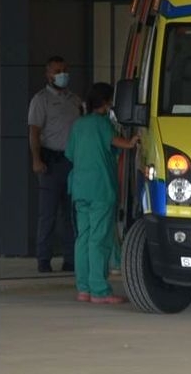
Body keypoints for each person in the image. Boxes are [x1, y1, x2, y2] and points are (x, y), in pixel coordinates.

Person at [65, 82, 138, 304]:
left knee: (83, 238)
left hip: (80, 188)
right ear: (106, 103)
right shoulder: (103, 124)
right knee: (99, 239)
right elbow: (120, 143)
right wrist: (132, 141)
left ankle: (83, 288)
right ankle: (99, 290)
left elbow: (70, 154)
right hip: (101, 189)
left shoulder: (79, 125)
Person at [27, 56, 82, 273]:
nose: (62, 74)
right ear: (48, 74)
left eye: (65, 70)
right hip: (50, 162)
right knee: (47, 214)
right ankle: (43, 260)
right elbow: (34, 132)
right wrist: (36, 159)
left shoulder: (75, 100)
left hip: (72, 162)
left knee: (70, 214)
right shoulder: (40, 100)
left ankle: (70, 259)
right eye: (57, 71)